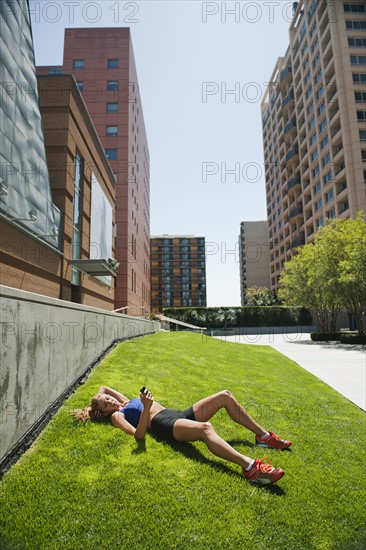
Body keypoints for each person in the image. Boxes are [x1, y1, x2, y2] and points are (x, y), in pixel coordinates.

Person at [72, 386, 292, 485]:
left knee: (224, 396)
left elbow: (104, 387)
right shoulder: (117, 416)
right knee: (206, 429)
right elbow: (138, 435)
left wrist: (97, 401)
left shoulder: (123, 402)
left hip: (176, 414)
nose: (110, 401)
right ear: (104, 412)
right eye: (105, 404)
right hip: (162, 424)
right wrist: (146, 407)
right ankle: (250, 467)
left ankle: (263, 437)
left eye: (108, 399)